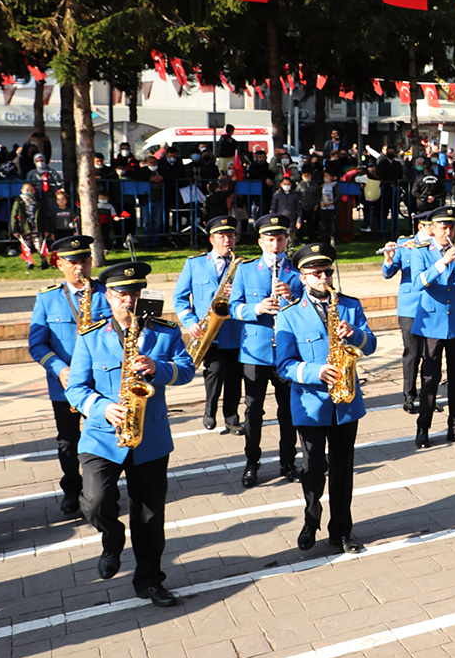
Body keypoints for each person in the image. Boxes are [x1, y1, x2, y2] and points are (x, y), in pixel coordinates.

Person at [66, 260, 194, 605]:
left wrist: (160, 367)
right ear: (108, 297)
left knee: (150, 516)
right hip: (102, 436)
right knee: (95, 503)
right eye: (122, 294)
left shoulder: (164, 332)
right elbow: (75, 389)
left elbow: (186, 370)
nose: (129, 300)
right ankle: (111, 535)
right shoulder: (91, 337)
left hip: (149, 438)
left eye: (135, 293)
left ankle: (150, 580)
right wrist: (101, 406)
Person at [275, 242, 376, 554]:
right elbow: (283, 365)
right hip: (311, 405)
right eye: (316, 272)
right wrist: (315, 371)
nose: (323, 277)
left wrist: (355, 334)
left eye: (327, 271)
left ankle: (342, 530)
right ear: (302, 277)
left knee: (343, 470)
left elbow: (370, 344)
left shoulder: (349, 305)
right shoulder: (289, 314)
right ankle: (311, 519)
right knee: (313, 468)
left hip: (346, 404)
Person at [28, 234, 110, 515]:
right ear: (59, 264)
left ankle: (100, 487)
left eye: (85, 261)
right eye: (73, 262)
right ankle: (72, 489)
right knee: (67, 441)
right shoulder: (47, 298)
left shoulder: (106, 293)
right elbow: (37, 343)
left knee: (102, 434)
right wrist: (58, 368)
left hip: (101, 381)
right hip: (64, 382)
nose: (80, 268)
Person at [229, 214, 304, 488]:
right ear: (260, 241)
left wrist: (292, 298)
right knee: (253, 411)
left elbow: (307, 310)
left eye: (280, 239)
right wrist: (256, 309)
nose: (276, 245)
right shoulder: (246, 270)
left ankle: (288, 461)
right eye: (270, 239)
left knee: (288, 411)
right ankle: (252, 462)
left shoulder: (297, 272)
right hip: (255, 352)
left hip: (286, 352)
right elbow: (232, 306)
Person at [410, 206, 455, 448]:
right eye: (443, 227)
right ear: (432, 229)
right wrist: (442, 263)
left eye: (451, 227)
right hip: (431, 326)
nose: (448, 231)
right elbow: (418, 283)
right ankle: (423, 428)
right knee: (430, 379)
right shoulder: (421, 253)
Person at [173, 216, 245, 435]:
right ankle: (209, 410)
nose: (227, 240)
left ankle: (232, 419)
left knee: (234, 375)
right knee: (214, 371)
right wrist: (190, 321)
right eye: (222, 236)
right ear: (212, 239)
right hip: (207, 332)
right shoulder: (194, 264)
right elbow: (180, 298)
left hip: (235, 331)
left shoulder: (242, 265)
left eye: (231, 236)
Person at [381, 210, 434, 414]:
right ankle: (409, 396)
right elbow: (388, 272)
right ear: (421, 227)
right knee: (412, 353)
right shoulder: (404, 243)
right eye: (431, 226)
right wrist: (389, 257)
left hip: (431, 306)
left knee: (431, 355)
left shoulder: (435, 247)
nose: (435, 230)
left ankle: (428, 396)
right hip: (410, 306)